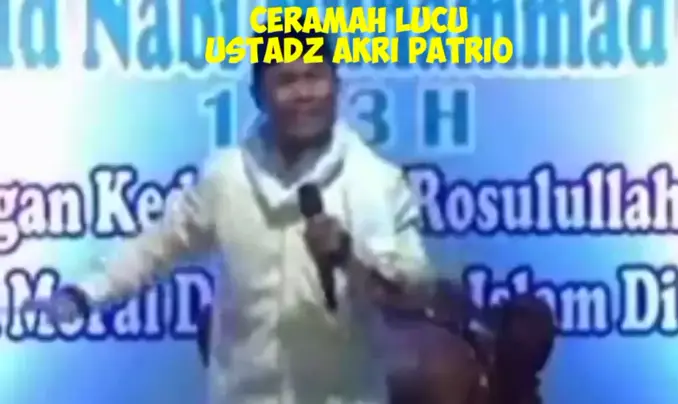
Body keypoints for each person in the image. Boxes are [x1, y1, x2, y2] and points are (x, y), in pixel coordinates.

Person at [29, 25, 433, 404]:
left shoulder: (377, 182)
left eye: (315, 77)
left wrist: (349, 257)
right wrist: (84, 294)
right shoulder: (228, 177)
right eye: (287, 81)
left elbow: (415, 292)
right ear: (258, 94)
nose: (304, 93)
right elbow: (155, 248)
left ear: (337, 85)